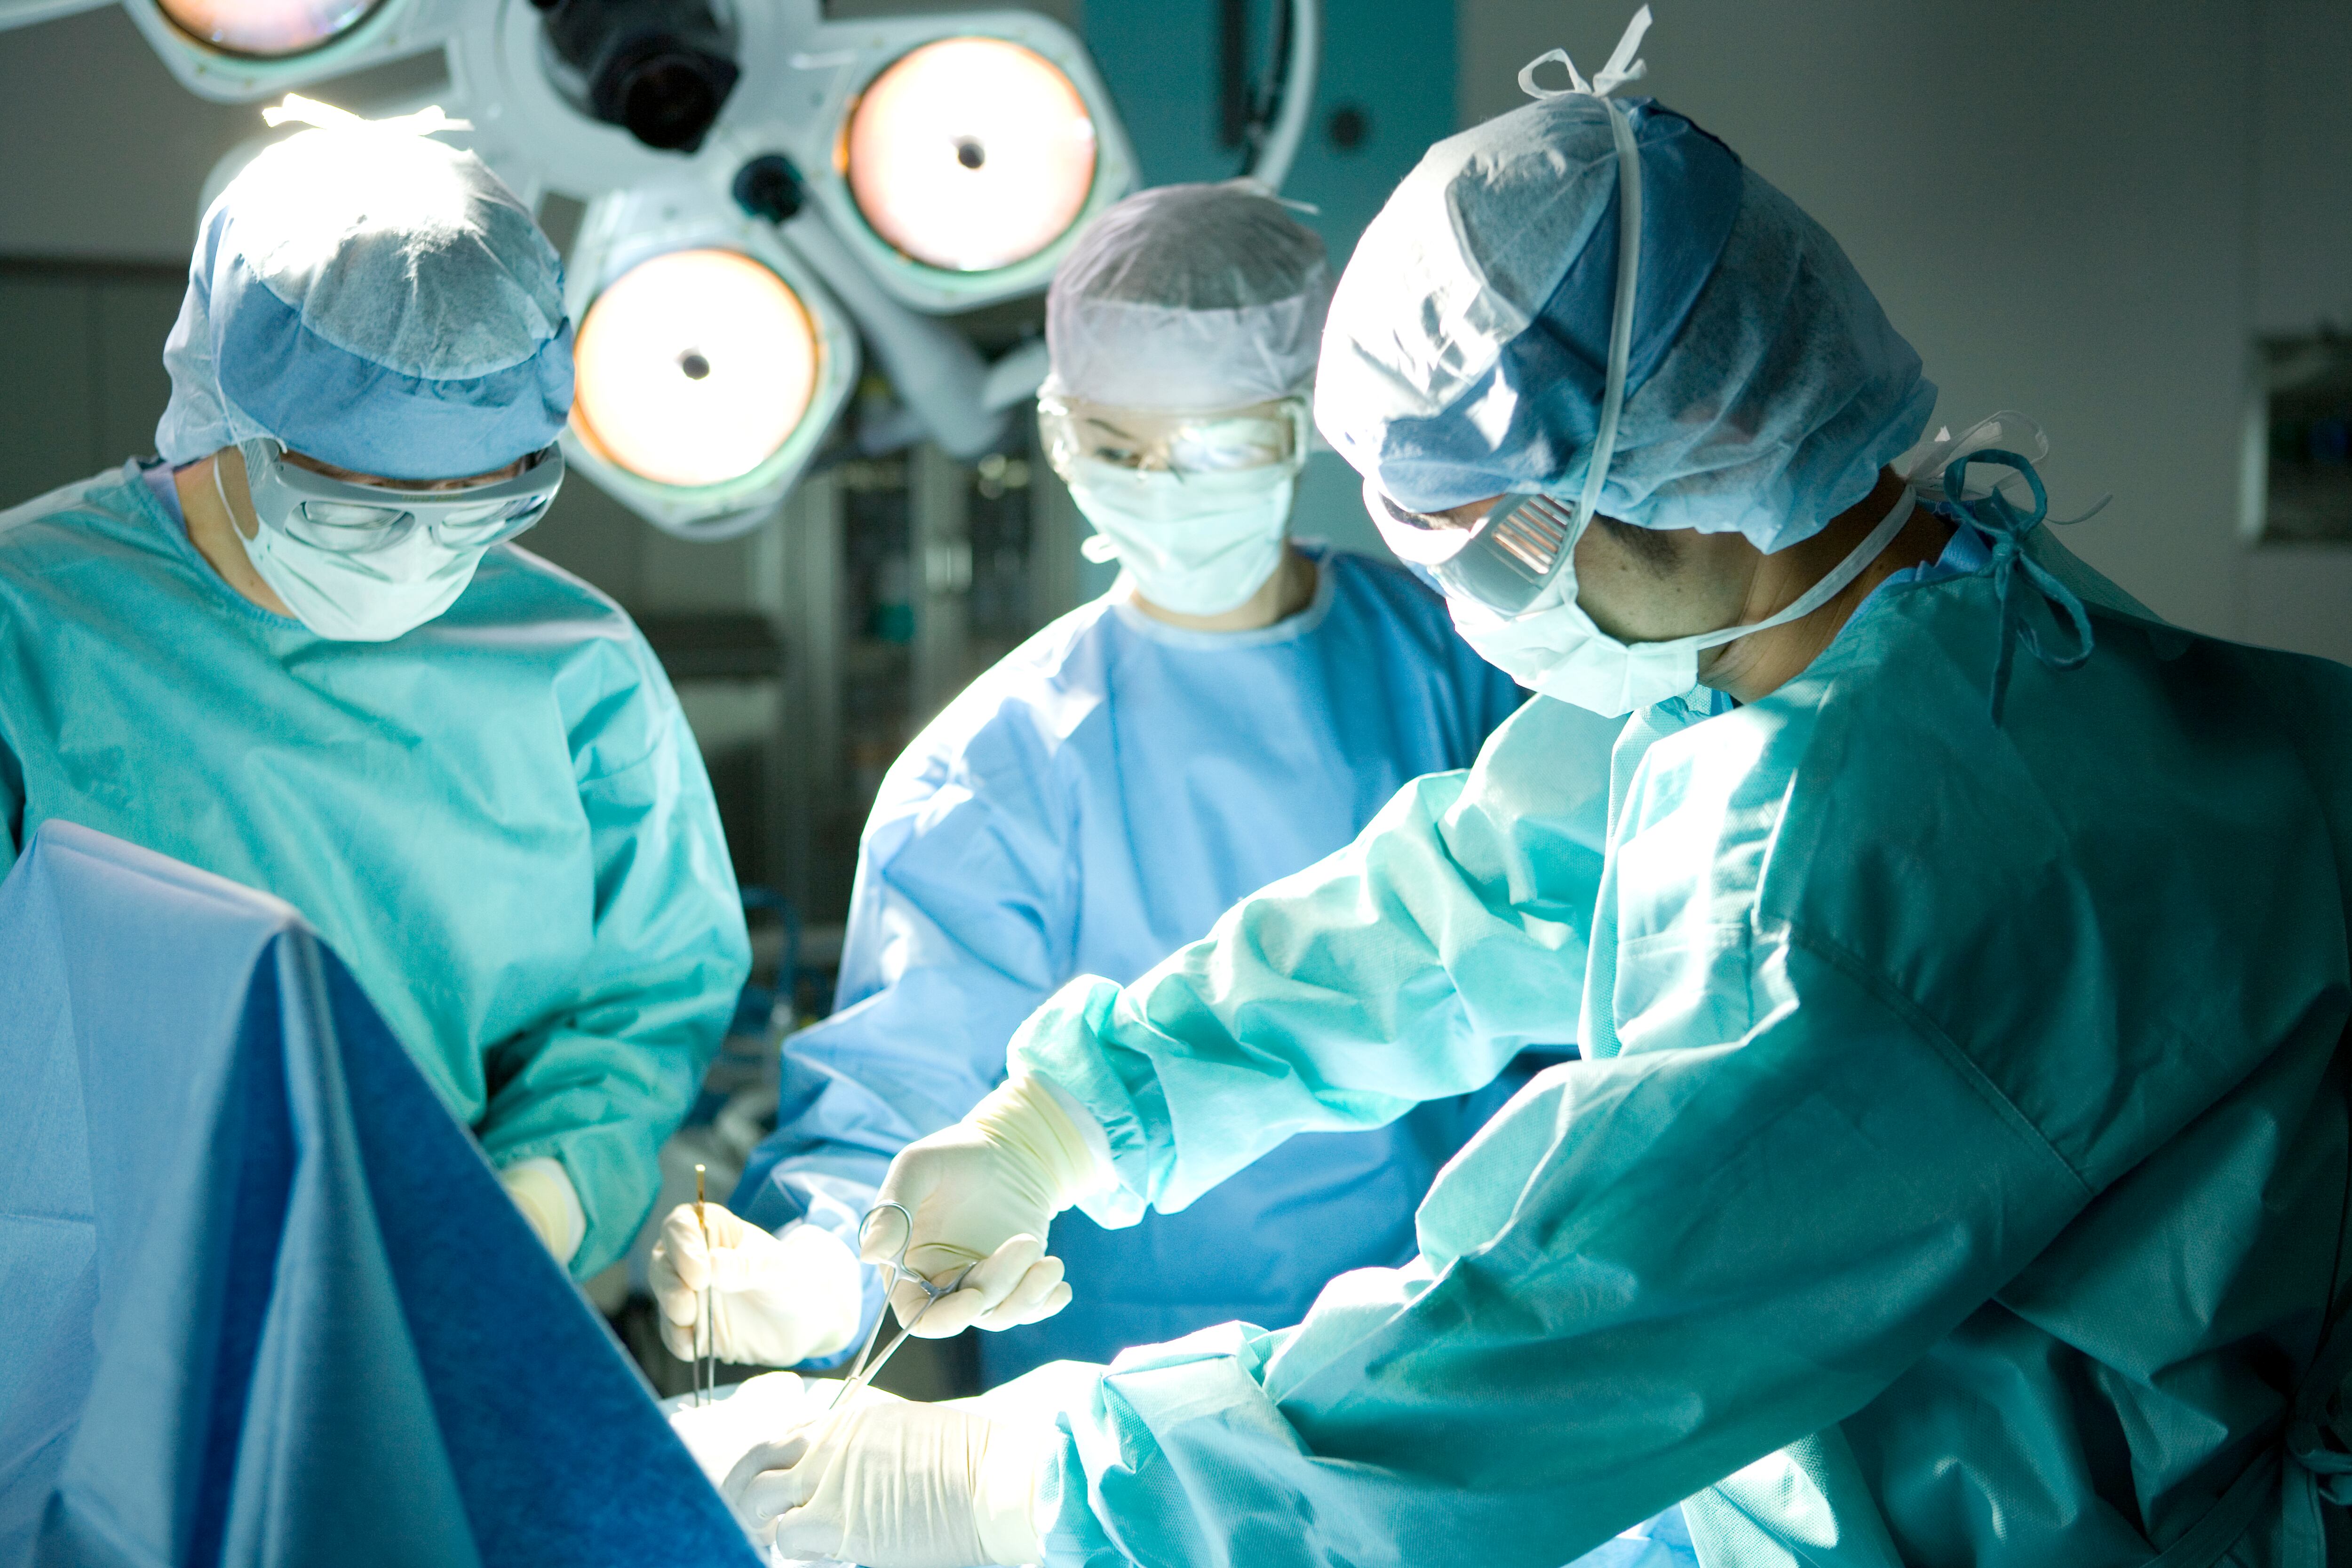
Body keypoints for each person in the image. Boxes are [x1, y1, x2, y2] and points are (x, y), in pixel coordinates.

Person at [717, 16, 2352, 1568]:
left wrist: (995, 1481)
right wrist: (1075, 1114)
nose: (1472, 605)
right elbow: (1469, 897)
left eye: (1484, 545)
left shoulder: (1881, 891)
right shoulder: (1858, 628)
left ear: (1666, 484)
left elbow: (1536, 1353)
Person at [649, 179, 1567, 1389]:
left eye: (1218, 444)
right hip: (1108, 1396)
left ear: (1307, 423)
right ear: (1058, 431)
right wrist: (818, 1265)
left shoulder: (1467, 664)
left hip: (1447, 1346)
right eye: (1115, 447)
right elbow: (906, 1086)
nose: (1164, 483)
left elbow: (1585, 987)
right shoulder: (995, 767)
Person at [0, 99, 748, 1281]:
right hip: (82, 1333)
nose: (415, 553)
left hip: (439, 1301)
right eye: (351, 505)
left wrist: (536, 1203)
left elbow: (645, 999)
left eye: (478, 508)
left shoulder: (572, 663)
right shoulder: (28, 633)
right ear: (218, 411)